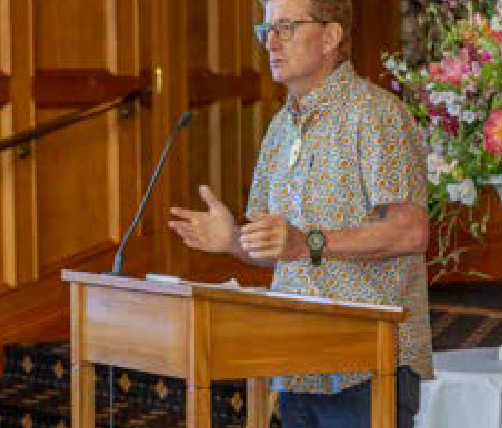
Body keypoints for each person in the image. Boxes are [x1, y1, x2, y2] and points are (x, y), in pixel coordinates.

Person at [168, 0, 433, 426]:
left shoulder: (375, 114)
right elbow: (276, 247)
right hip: (296, 363)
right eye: (267, 29)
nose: (271, 42)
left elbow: (410, 232)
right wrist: (234, 240)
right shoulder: (280, 126)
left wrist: (307, 241)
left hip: (366, 365)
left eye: (287, 28)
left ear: (331, 36)